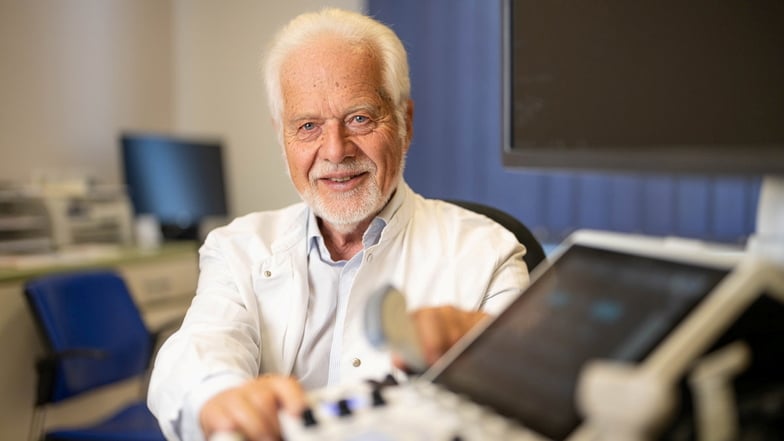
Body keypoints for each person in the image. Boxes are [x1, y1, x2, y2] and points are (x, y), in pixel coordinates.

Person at [147, 8, 529, 441]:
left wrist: (492, 363)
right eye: (308, 126)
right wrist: (217, 397)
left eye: (360, 118)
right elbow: (202, 346)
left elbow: (529, 396)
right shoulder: (239, 247)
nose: (335, 151)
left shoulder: (488, 253)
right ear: (282, 136)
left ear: (406, 122)